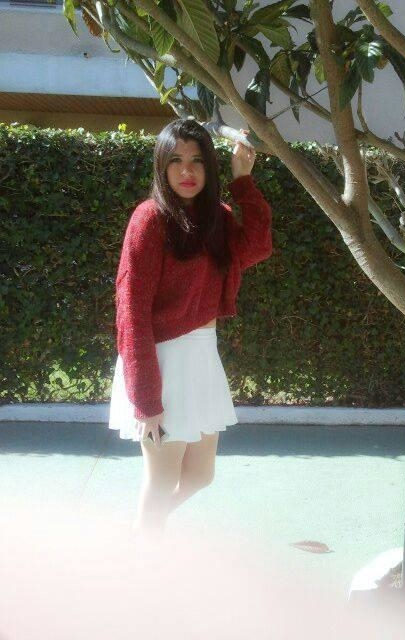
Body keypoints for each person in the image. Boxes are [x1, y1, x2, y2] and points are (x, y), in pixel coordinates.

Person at [108, 117, 273, 534]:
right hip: (160, 363)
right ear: (162, 166)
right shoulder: (149, 219)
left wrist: (243, 180)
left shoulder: (216, 218)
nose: (187, 171)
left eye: (197, 160)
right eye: (176, 160)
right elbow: (131, 312)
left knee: (200, 475)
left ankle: (144, 532)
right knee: (162, 479)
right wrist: (146, 400)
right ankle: (146, 552)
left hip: (201, 357)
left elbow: (257, 245)